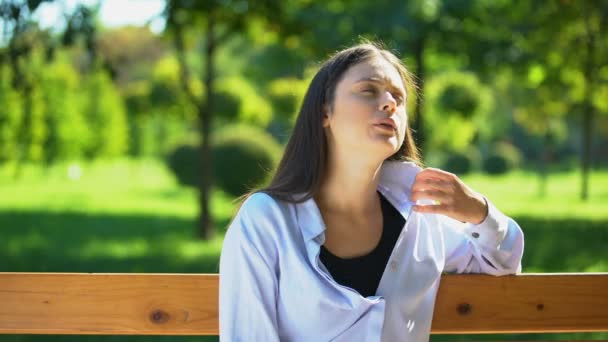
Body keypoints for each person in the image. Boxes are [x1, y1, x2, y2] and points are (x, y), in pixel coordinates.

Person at [219, 42, 524, 342]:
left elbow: (501, 262)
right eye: (368, 91)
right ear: (325, 112)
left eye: (399, 98)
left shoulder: (421, 216)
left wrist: (478, 211)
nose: (390, 103)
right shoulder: (267, 220)